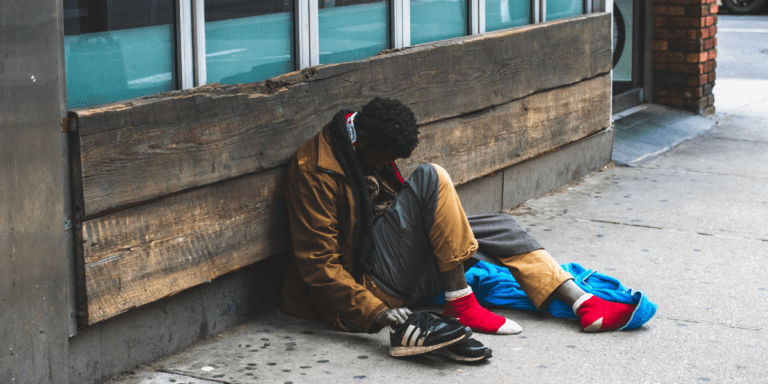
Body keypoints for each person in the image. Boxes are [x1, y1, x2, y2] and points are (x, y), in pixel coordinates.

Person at [279, 97, 637, 359]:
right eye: (379, 158)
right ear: (365, 141)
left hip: (391, 259)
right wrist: (378, 312)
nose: (382, 165)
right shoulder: (314, 171)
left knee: (499, 226)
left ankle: (582, 302)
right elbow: (318, 265)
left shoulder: (361, 140)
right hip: (366, 288)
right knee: (430, 176)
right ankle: (461, 302)